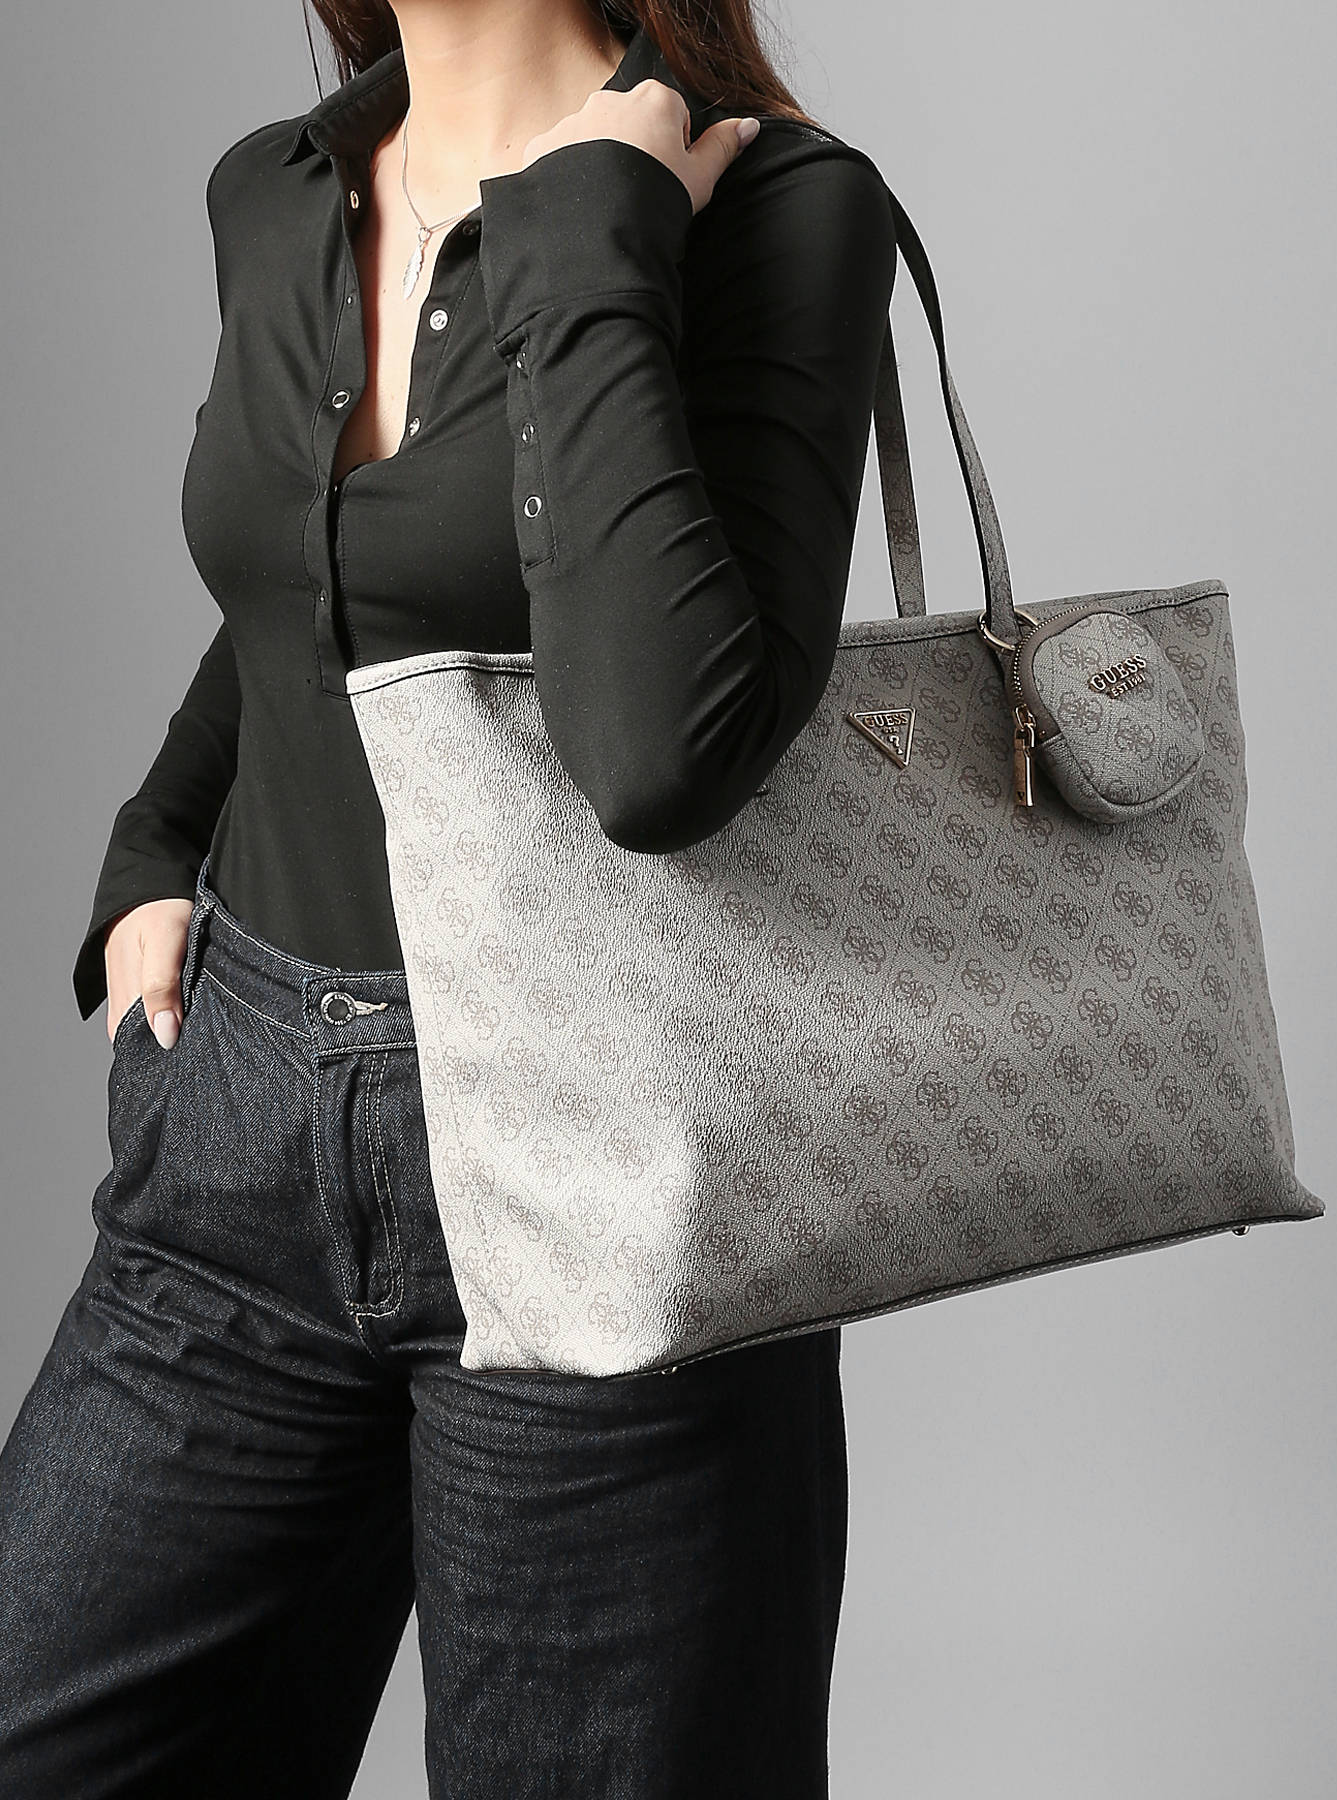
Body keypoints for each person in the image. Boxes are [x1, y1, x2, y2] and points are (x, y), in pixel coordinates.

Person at [0, 1, 898, 1793]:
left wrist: (590, 236)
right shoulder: (278, 189)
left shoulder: (772, 202)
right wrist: (151, 848)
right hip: (239, 1139)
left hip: (604, 1164)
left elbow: (661, 751)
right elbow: (312, 593)